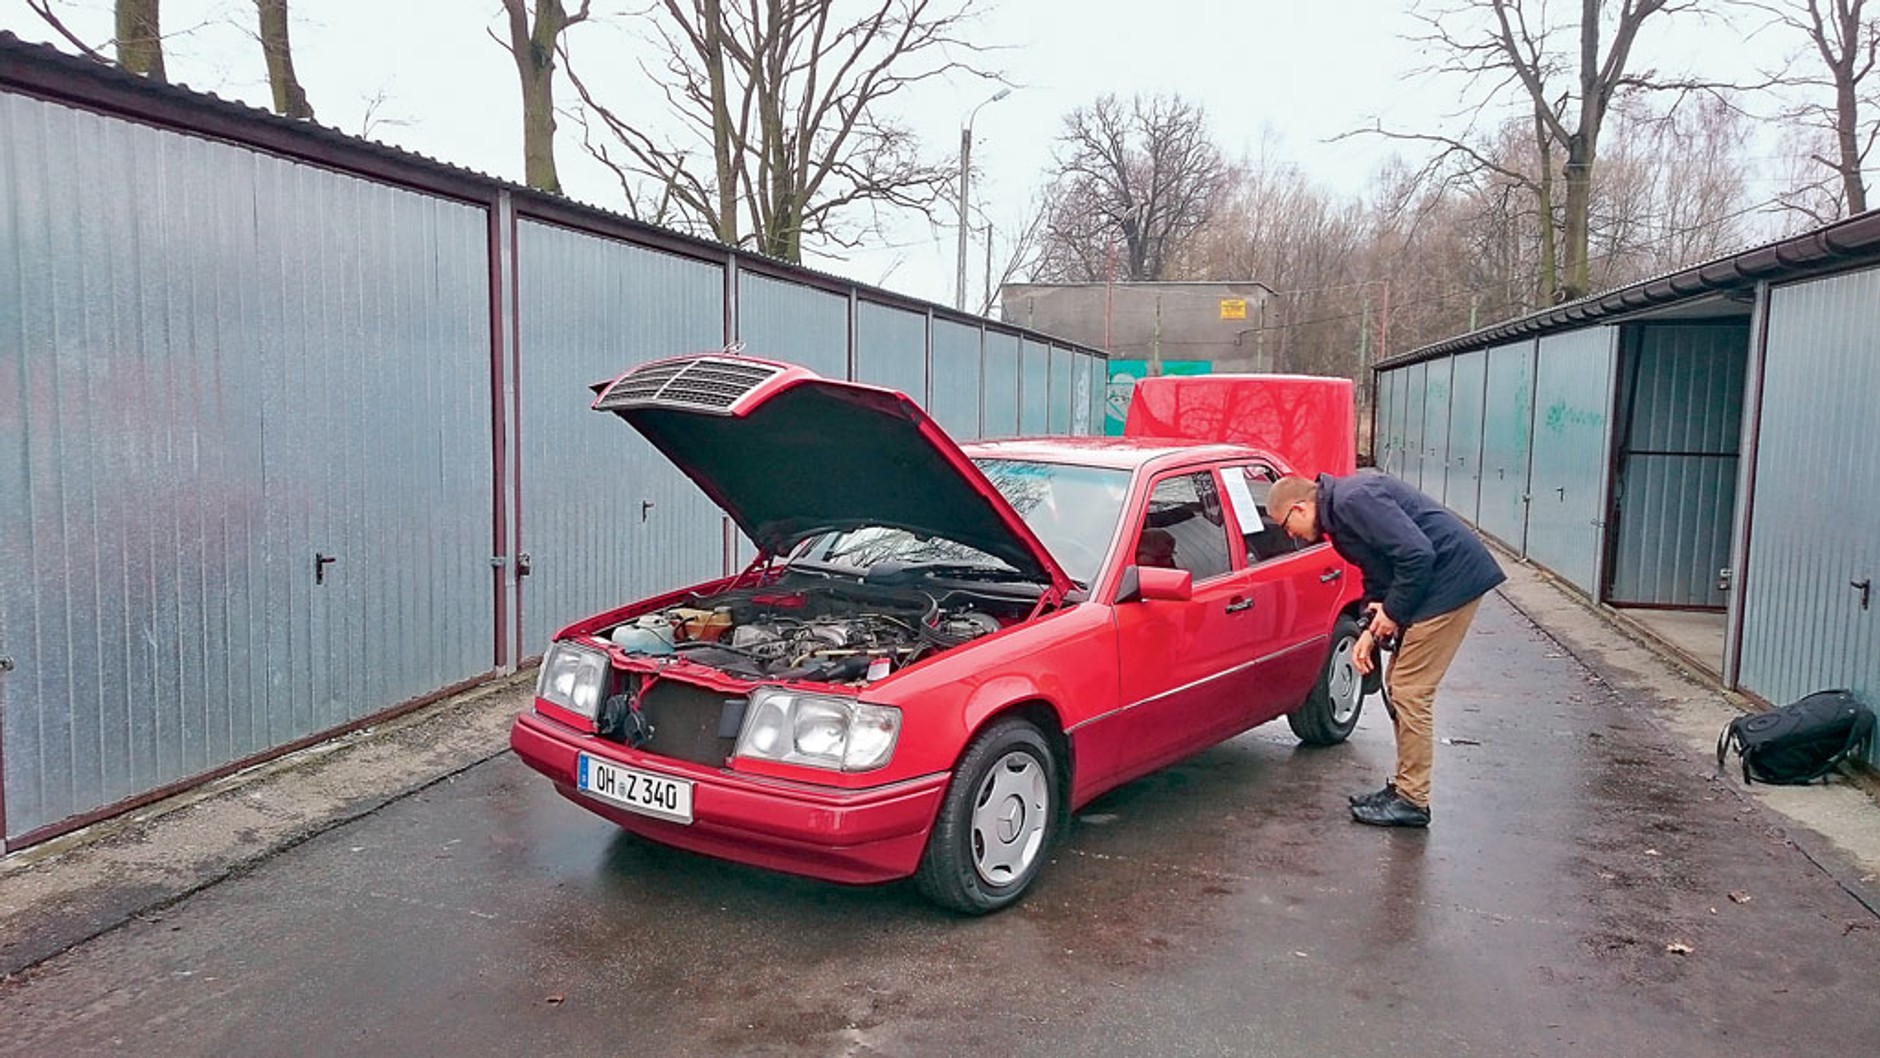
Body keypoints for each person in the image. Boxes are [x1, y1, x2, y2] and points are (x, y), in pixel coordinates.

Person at [1265, 472, 1505, 828]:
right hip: (1436, 582)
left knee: (1410, 691)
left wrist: (1392, 614)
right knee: (1399, 685)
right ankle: (1405, 789)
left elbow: (1417, 554)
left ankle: (1413, 801)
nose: (1290, 535)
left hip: (1452, 582)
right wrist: (1369, 628)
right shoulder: (1339, 520)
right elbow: (1378, 572)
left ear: (1299, 507)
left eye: (1287, 525)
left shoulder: (1353, 501)